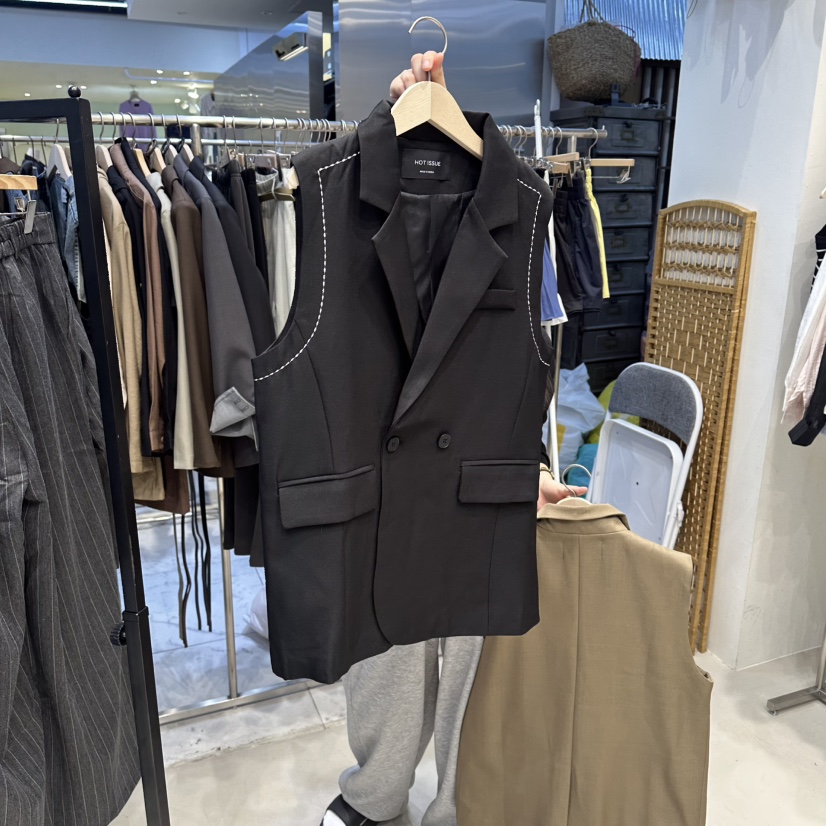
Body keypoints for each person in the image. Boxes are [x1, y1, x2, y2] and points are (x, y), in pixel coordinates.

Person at [321, 53, 586, 826]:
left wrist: (530, 464)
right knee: (385, 650)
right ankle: (376, 795)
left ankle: (461, 807)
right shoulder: (336, 199)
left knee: (475, 659)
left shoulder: (524, 209)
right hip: (380, 466)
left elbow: (530, 355)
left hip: (482, 471)